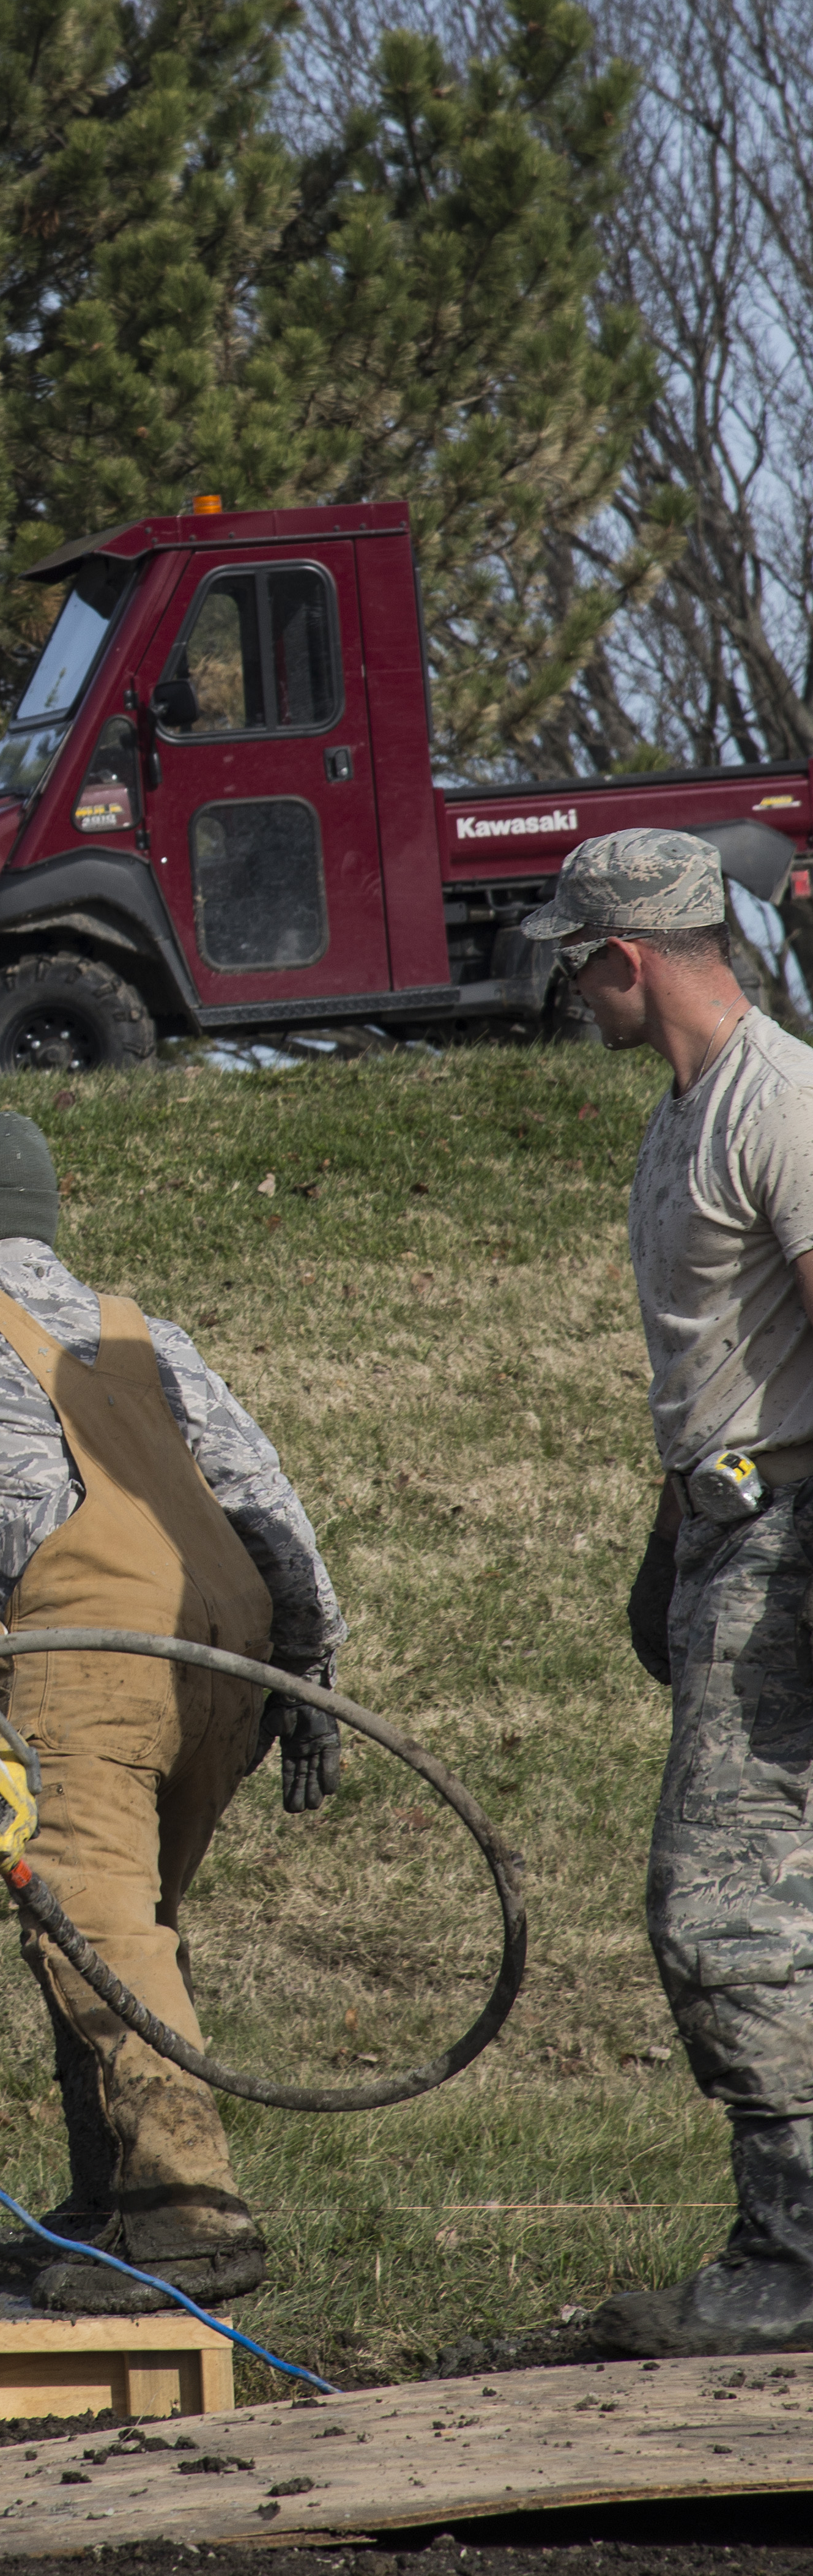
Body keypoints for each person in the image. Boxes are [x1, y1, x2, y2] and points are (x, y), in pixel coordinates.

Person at [0, 1112, 347, 2316]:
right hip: (233, 1640)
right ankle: (115, 2190)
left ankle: (186, 2219)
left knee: (95, 1925)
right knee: (140, 1917)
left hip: (97, 1645)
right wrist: (313, 1668)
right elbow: (261, 1491)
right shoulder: (143, 1332)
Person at [529, 834, 813, 2356]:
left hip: (793, 1535)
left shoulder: (781, 1105)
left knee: (722, 1907)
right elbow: (708, 1365)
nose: (569, 990)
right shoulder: (681, 1120)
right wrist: (668, 1539)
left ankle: (798, 2252)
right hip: (725, 1527)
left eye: (576, 962)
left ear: (626, 956)